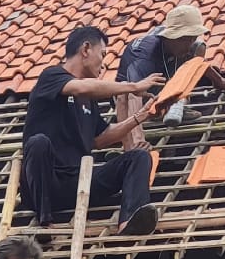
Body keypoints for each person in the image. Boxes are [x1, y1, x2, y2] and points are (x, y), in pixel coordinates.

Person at [21, 24, 164, 236]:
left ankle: (129, 221)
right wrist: (134, 86)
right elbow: (80, 87)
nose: (103, 64)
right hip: (45, 184)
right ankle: (45, 222)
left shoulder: (89, 100)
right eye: (102, 54)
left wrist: (141, 116)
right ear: (86, 49)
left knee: (139, 157)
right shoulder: (51, 76)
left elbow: (100, 138)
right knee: (38, 143)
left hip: (78, 183)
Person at [116, 4, 225, 151]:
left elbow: (197, 63)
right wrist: (137, 139)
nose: (189, 45)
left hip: (159, 86)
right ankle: (154, 118)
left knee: (198, 48)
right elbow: (132, 95)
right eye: (186, 40)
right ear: (173, 37)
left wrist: (219, 81)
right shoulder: (146, 55)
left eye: (192, 39)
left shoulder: (183, 47)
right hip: (130, 98)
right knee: (125, 95)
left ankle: (169, 106)